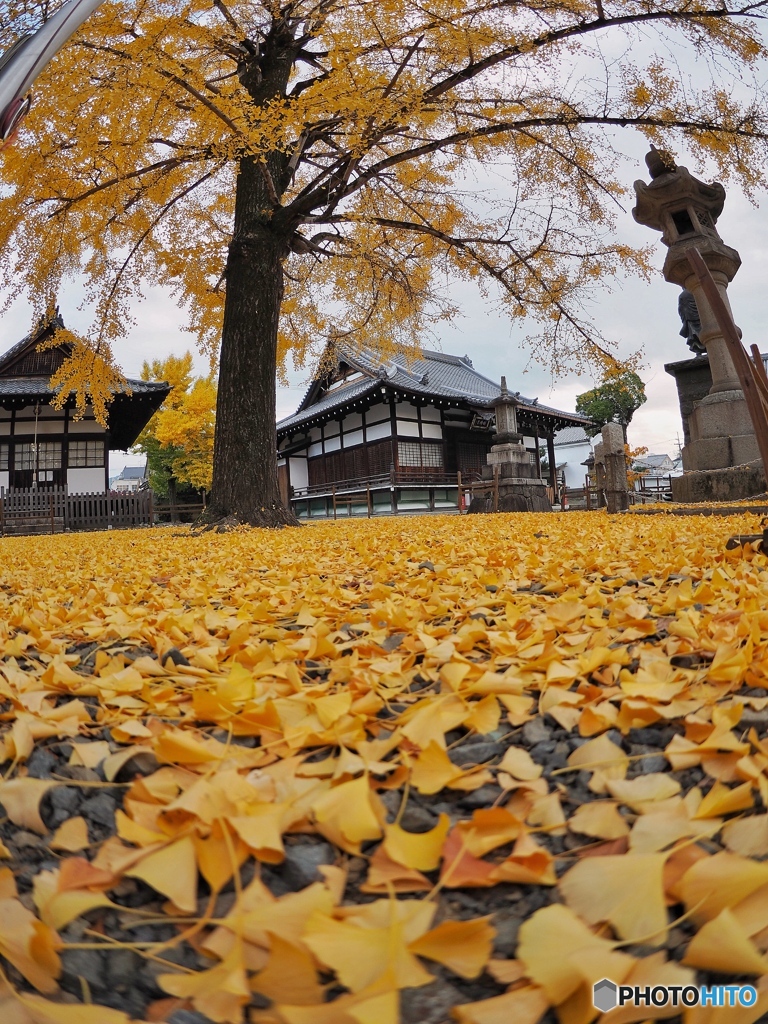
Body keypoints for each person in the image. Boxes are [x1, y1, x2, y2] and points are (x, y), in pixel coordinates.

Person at [678, 289, 706, 355]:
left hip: (690, 318)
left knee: (694, 336)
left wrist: (684, 321)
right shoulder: (698, 290)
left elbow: (681, 310)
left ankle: (698, 352)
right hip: (700, 318)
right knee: (703, 334)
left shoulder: (683, 295)